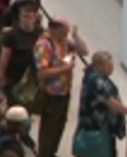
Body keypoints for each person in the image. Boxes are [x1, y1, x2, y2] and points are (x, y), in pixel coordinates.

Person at [33, 18, 89, 157]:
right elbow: (42, 72)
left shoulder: (64, 42)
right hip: (51, 93)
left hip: (64, 91)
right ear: (55, 29)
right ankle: (45, 153)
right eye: (64, 32)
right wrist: (65, 69)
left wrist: (76, 35)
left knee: (59, 126)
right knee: (49, 128)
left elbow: (84, 51)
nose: (66, 36)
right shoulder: (44, 45)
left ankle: (52, 152)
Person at [75, 52, 127, 157]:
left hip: (100, 125)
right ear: (99, 66)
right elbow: (110, 101)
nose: (112, 69)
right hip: (96, 126)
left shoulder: (94, 75)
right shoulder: (96, 80)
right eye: (109, 66)